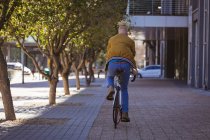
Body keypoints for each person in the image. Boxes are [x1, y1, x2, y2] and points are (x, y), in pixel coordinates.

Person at [105, 20, 137, 122]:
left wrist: (106, 65)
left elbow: (108, 52)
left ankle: (110, 87)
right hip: (125, 64)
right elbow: (133, 54)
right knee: (124, 89)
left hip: (112, 62)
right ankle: (125, 114)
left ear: (118, 31)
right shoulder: (130, 41)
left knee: (110, 77)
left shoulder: (111, 39)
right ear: (126, 31)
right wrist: (134, 68)